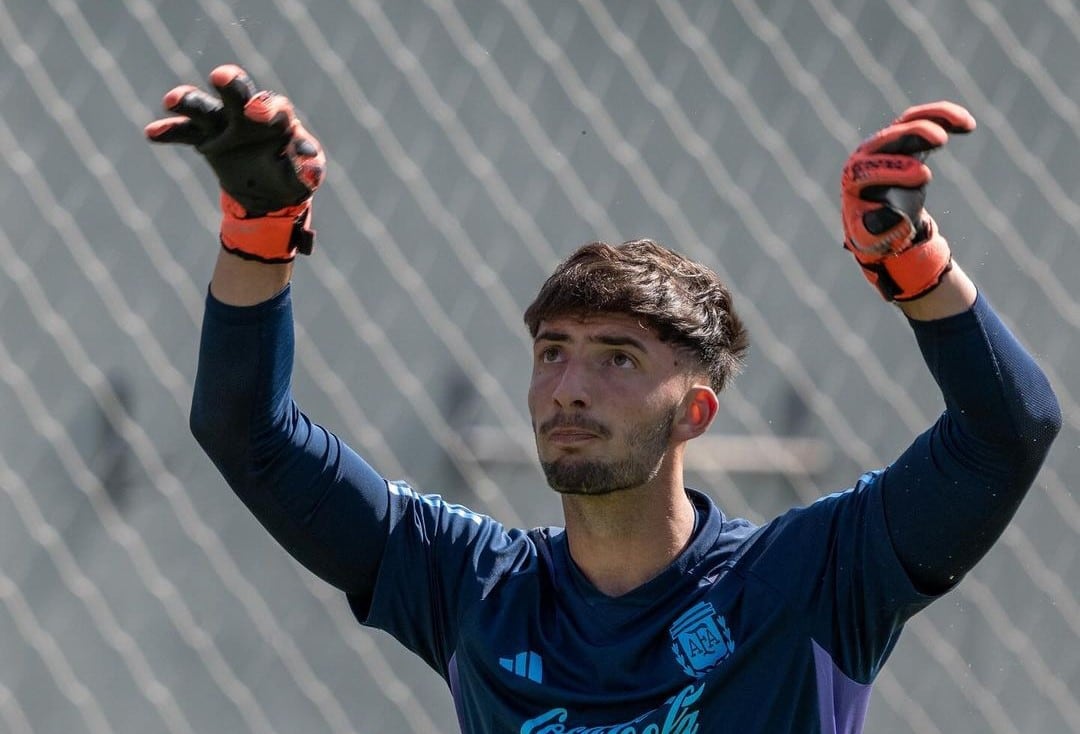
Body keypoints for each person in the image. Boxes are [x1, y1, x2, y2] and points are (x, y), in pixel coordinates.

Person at [146, 65, 1061, 733]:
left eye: (618, 360)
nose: (567, 388)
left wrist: (911, 264)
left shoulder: (811, 579)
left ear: (694, 413)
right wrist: (259, 235)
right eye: (552, 353)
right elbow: (245, 433)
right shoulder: (471, 586)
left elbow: (1009, 430)